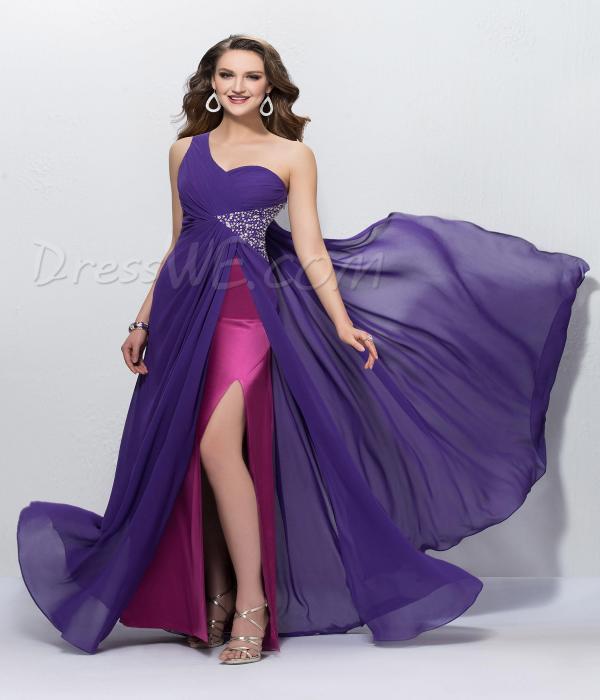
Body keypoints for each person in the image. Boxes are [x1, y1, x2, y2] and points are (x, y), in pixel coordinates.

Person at [17, 34, 590, 665]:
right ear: (211, 83)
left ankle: (252, 604)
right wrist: (143, 320)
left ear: (269, 88)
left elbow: (311, 248)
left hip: (247, 312)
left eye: (251, 76)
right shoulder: (184, 151)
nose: (238, 86)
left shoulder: (293, 155)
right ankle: (212, 597)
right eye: (227, 75)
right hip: (184, 312)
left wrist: (341, 322)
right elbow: (178, 243)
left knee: (215, 446)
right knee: (187, 454)